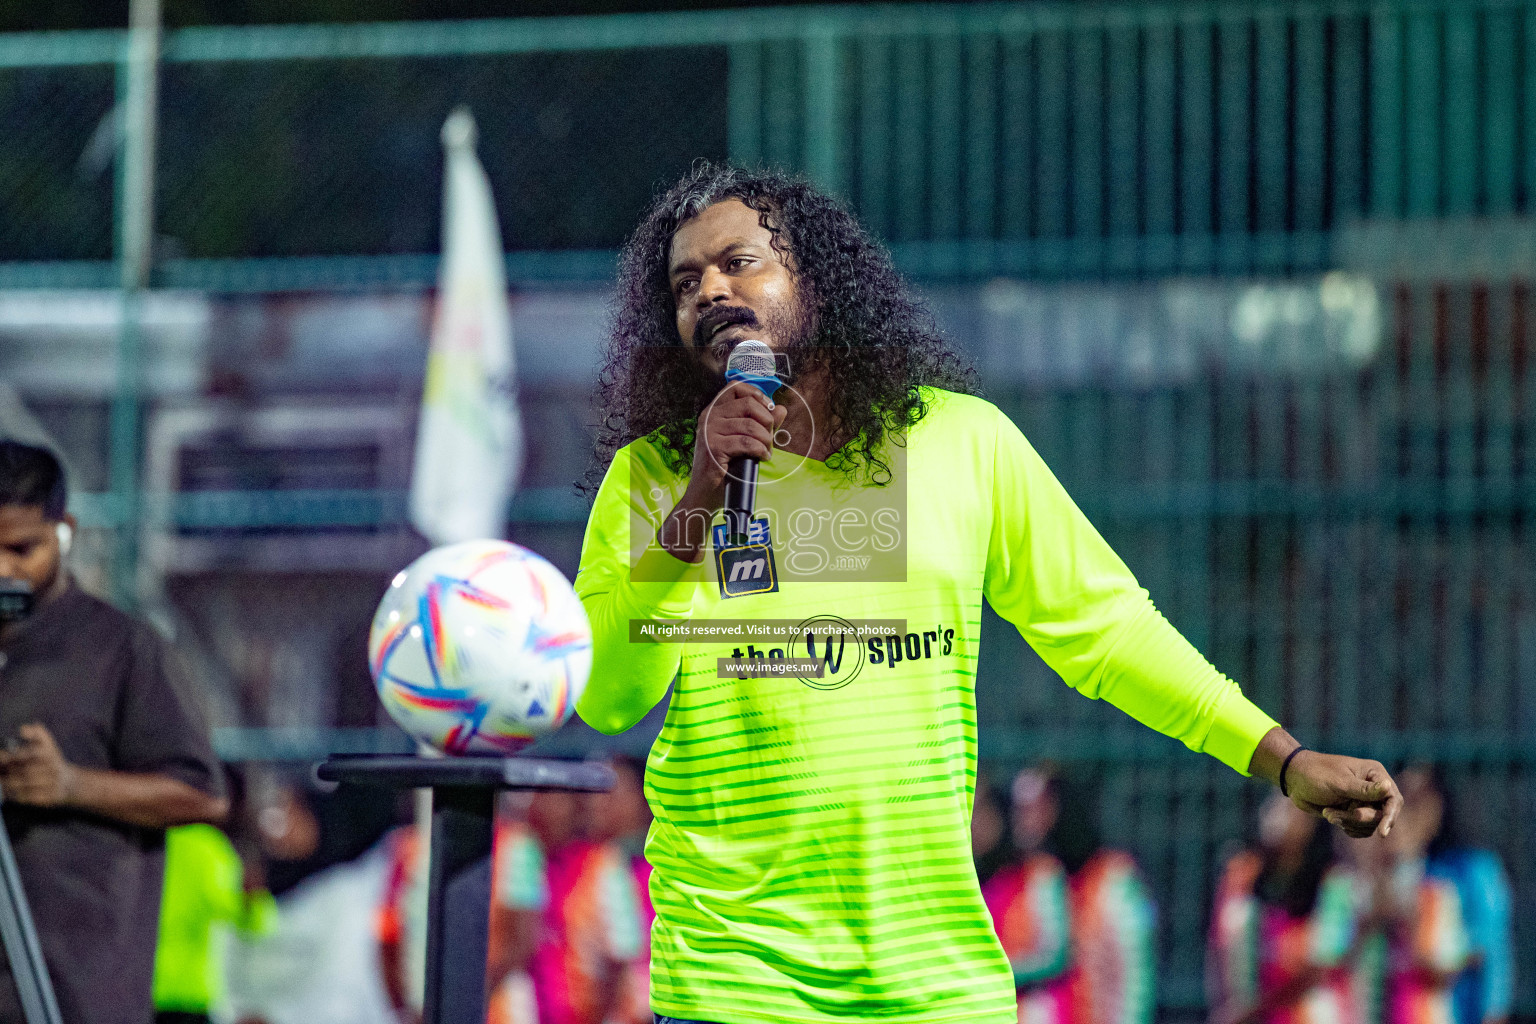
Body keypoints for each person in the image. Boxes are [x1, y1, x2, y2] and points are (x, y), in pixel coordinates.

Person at [572, 162, 1403, 1024]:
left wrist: (1282, 759)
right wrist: (701, 499)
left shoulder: (962, 444)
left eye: (738, 262)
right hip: (731, 985)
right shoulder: (654, 477)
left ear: (815, 277)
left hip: (937, 989)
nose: (710, 290)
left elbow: (1108, 630)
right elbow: (606, 691)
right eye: (685, 282)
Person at [0, 439, 227, 1024]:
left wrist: (71, 785)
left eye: (22, 549)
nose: (3, 570)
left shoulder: (120, 649)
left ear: (64, 531)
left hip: (80, 990)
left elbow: (202, 794)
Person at [1207, 796, 1360, 1024]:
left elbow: (1322, 966)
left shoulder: (1334, 884)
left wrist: (1253, 1009)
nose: (1275, 814)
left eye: (1288, 807)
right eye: (1273, 803)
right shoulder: (1246, 877)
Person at [151, 768, 277, 1024]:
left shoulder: (151, 839)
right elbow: (252, 921)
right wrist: (255, 897)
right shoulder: (208, 847)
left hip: (136, 988)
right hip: (187, 995)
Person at [982, 769, 1073, 1024]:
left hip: (1038, 1010)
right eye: (1021, 811)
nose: (1028, 821)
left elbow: (1056, 955)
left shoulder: (1045, 873)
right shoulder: (1004, 875)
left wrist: (995, 970)